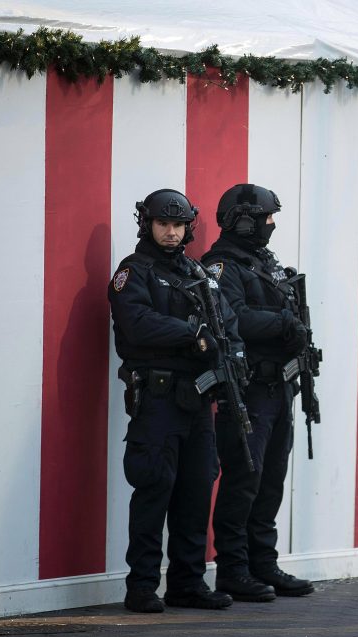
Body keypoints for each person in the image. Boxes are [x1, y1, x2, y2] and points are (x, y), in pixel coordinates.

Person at [109, 188, 244, 613]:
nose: (170, 232)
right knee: (155, 487)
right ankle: (142, 586)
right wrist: (192, 335)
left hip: (198, 399)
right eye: (163, 224)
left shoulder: (196, 272)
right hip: (158, 398)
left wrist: (234, 357)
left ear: (189, 227)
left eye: (178, 225)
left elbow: (227, 322)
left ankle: (187, 583)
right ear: (147, 224)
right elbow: (136, 323)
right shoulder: (135, 271)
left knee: (196, 488)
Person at [203, 183, 314, 601]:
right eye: (267, 217)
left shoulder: (262, 263)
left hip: (277, 387)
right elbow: (232, 318)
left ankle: (262, 564)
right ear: (244, 220)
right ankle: (233, 569)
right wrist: (283, 324)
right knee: (243, 480)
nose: (272, 225)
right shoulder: (221, 267)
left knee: (271, 480)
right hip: (247, 390)